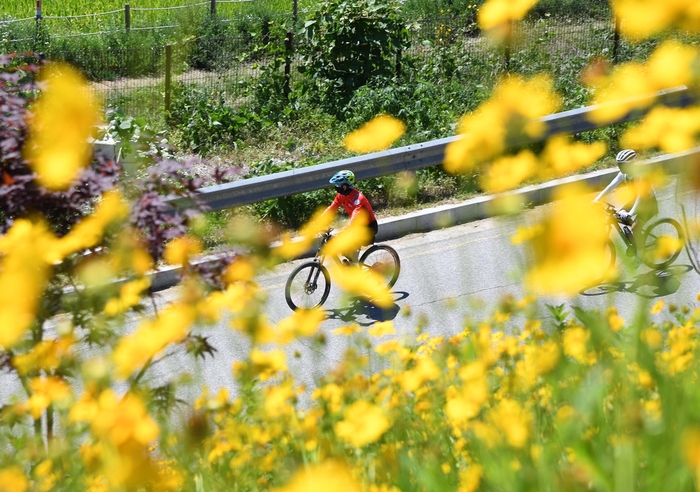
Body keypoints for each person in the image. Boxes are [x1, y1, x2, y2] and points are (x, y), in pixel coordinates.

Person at [593, 149, 658, 242]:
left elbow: (640, 196)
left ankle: (640, 252)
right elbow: (610, 187)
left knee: (636, 229)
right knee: (618, 216)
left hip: (648, 203)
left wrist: (630, 213)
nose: (620, 167)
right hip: (635, 201)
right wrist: (596, 199)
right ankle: (638, 239)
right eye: (619, 164)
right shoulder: (623, 174)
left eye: (622, 165)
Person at [323, 169, 378, 263]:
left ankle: (356, 272)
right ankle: (352, 263)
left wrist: (343, 232)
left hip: (368, 228)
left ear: (344, 187)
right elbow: (331, 208)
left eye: (338, 186)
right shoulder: (341, 196)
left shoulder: (358, 198)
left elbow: (354, 218)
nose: (336, 188)